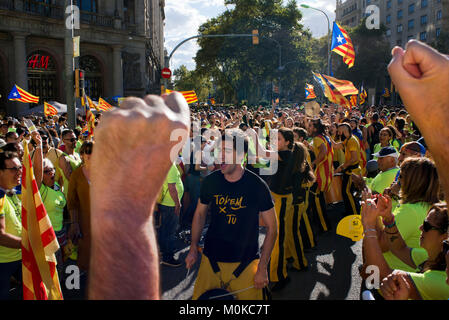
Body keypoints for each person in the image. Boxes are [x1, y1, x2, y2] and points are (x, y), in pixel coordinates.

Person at [185, 129, 277, 300]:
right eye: (219, 151)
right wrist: (192, 247)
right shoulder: (211, 181)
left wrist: (263, 267)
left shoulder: (257, 185)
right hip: (210, 261)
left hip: (246, 264)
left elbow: (272, 228)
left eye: (227, 151)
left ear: (241, 156)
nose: (220, 157)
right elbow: (199, 215)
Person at [362, 197, 449, 300]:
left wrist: (369, 227)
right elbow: (399, 248)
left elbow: (380, 274)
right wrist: (388, 219)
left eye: (426, 225)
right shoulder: (433, 257)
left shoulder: (439, 281)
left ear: (445, 237)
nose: (420, 227)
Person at [67, 141, 94, 294]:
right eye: (87, 151)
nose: (91, 154)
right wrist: (74, 223)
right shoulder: (76, 175)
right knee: (85, 253)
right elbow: (72, 202)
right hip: (85, 222)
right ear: (82, 154)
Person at [0, 152, 22, 300]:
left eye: (20, 167)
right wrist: (29, 245)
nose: (19, 171)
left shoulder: (11, 191)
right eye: (14, 169)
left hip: (20, 257)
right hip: (3, 264)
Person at [309, 119, 334, 233]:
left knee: (318, 202)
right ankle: (323, 225)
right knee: (319, 201)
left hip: (320, 173)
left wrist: (314, 163)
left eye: (310, 126)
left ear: (315, 128)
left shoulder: (317, 138)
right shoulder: (325, 137)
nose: (308, 127)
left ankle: (324, 227)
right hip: (326, 172)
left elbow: (323, 151)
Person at [157, 161, 184, 267]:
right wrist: (178, 204)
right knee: (169, 231)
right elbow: (172, 188)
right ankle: (167, 257)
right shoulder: (170, 165)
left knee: (164, 229)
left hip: (166, 202)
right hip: (170, 204)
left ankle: (164, 251)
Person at [332, 123, 362, 216]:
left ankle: (354, 214)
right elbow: (336, 146)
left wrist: (342, 167)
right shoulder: (348, 140)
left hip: (352, 172)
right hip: (348, 171)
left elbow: (354, 158)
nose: (338, 133)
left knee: (348, 192)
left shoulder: (352, 141)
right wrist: (327, 136)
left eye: (339, 131)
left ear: (344, 130)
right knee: (345, 192)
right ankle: (349, 212)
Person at [59, 129, 82, 198]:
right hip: (71, 196)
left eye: (75, 139)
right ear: (64, 141)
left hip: (80, 194)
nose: (75, 141)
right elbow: (71, 178)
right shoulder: (64, 158)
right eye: (72, 140)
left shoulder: (77, 155)